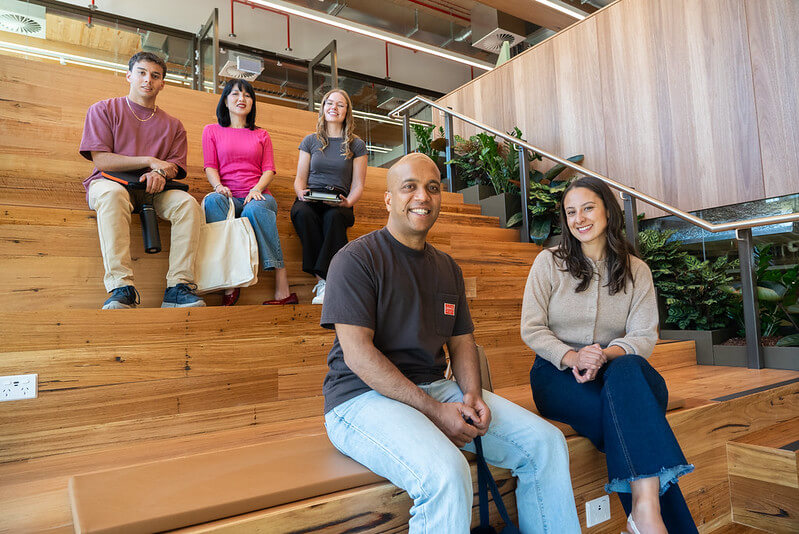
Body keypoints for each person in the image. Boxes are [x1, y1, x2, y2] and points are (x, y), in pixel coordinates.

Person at [322, 153, 581, 534]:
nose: (422, 197)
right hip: (359, 398)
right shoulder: (355, 259)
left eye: (432, 187)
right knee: (445, 473)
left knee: (546, 444)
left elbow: (462, 342)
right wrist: (434, 410)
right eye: (409, 187)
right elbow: (359, 356)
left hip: (434, 389)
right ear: (389, 199)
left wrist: (472, 395)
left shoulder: (447, 267)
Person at [521, 176, 697, 534]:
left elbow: (644, 336)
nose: (579, 218)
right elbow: (532, 329)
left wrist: (603, 355)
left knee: (627, 370)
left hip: (622, 374)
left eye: (588, 208)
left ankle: (644, 518)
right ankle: (647, 515)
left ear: (607, 211)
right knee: (631, 420)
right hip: (559, 377)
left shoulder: (637, 271)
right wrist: (573, 358)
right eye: (571, 212)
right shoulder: (548, 263)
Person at [79, 51, 205, 309]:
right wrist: (149, 161)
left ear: (162, 84)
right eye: (142, 73)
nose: (148, 79)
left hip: (154, 190)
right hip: (109, 183)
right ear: (129, 76)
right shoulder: (103, 109)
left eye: (155, 76)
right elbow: (101, 160)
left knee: (188, 204)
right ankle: (120, 287)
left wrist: (159, 172)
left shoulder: (174, 125)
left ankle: (178, 288)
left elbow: (175, 166)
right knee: (112, 195)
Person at [202, 79, 297, 306]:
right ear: (225, 100)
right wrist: (218, 187)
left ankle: (282, 282)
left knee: (254, 211)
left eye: (247, 95)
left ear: (253, 103)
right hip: (227, 195)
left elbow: (269, 169)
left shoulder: (261, 134)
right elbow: (210, 166)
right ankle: (230, 280)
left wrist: (256, 188)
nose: (241, 99)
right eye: (235, 94)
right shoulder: (211, 131)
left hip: (259, 195)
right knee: (213, 202)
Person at [290, 88, 367, 304]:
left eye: (340, 105)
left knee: (333, 218)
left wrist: (348, 202)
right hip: (310, 197)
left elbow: (359, 184)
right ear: (323, 108)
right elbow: (299, 179)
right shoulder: (310, 141)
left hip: (339, 201)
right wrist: (301, 194)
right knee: (302, 213)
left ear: (347, 112)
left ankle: (327, 281)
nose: (334, 108)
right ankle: (323, 280)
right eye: (329, 103)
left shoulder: (356, 144)